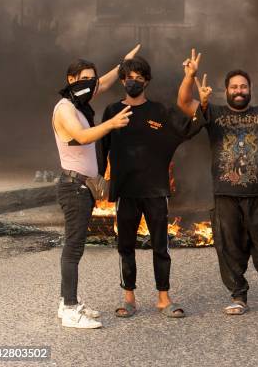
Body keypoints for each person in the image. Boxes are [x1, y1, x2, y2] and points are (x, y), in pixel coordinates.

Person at [177, 49, 258, 315]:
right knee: (229, 247)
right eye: (234, 86)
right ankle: (238, 297)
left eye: (243, 86)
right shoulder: (213, 112)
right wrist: (190, 77)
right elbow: (184, 103)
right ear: (226, 91)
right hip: (225, 195)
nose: (239, 90)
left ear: (250, 89)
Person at [100, 56, 207, 319]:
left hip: (156, 190)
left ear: (146, 81)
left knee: (161, 246)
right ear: (122, 81)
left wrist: (202, 103)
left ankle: (163, 298)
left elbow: (189, 129)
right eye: (127, 77)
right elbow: (101, 148)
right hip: (126, 190)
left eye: (138, 77)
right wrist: (100, 179)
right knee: (125, 246)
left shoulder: (160, 112)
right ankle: (129, 298)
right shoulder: (112, 111)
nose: (132, 81)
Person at [53, 44, 140, 328]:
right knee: (74, 247)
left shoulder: (79, 102)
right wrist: (112, 123)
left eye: (92, 78)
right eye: (84, 79)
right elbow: (83, 135)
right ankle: (69, 309)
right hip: (74, 188)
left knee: (75, 247)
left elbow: (103, 83)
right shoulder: (65, 109)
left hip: (85, 187)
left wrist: (122, 62)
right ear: (70, 80)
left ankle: (70, 302)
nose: (91, 83)